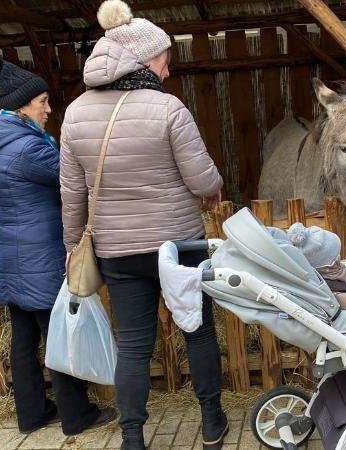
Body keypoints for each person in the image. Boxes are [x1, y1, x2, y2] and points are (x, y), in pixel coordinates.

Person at [59, 1, 226, 449]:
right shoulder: (169, 109)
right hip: (179, 247)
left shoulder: (74, 115)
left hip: (117, 250)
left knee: (133, 347)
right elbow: (202, 179)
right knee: (198, 331)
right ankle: (212, 421)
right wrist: (214, 182)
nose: (167, 70)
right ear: (142, 60)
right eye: (164, 60)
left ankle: (132, 436)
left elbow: (72, 194)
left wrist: (73, 244)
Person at [0, 51, 116, 436]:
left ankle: (32, 414)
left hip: (8, 254)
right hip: (42, 253)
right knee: (60, 333)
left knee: (23, 339)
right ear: (22, 108)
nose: (49, 109)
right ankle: (76, 415)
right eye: (43, 102)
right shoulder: (30, 148)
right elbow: (72, 182)